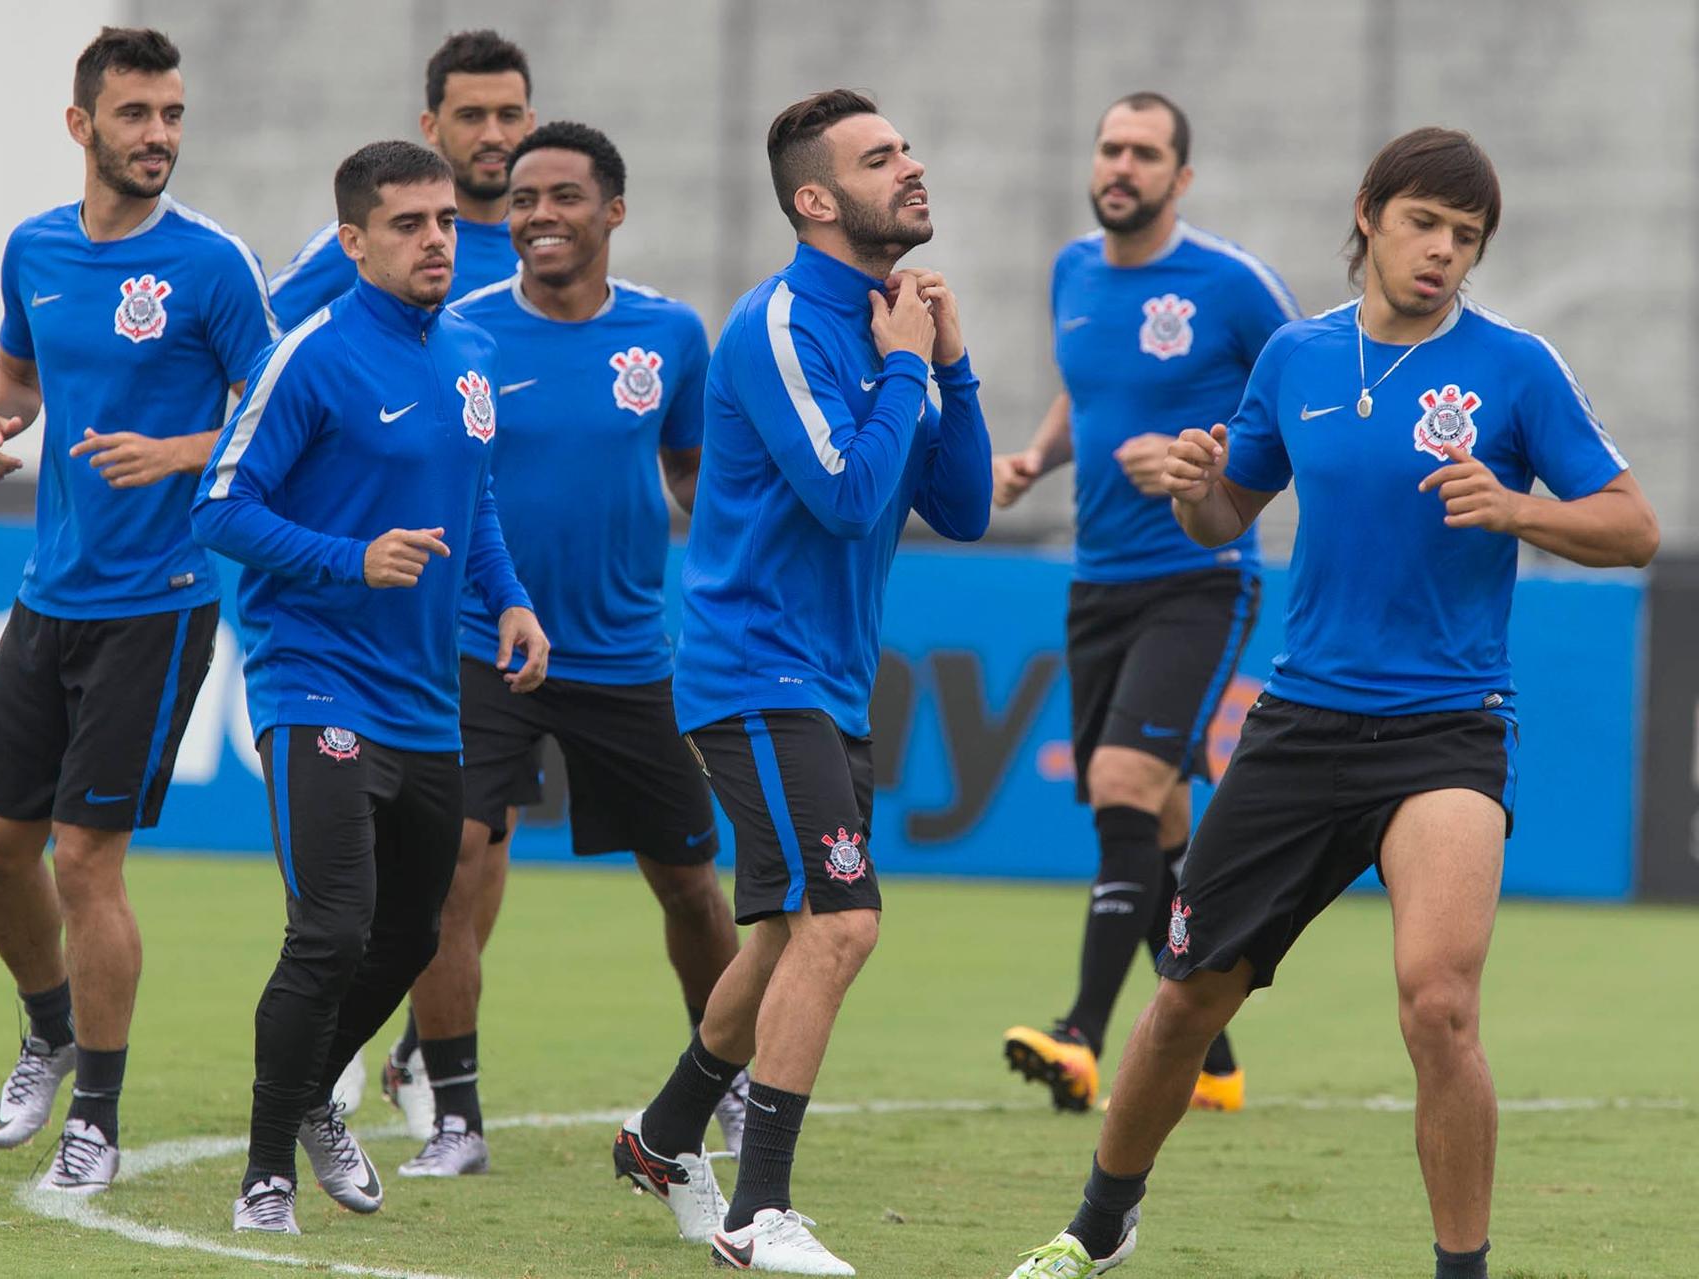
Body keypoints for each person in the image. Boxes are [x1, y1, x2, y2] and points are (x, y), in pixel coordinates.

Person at [1008, 127, 1658, 1279]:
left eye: (1467, 238)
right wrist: (1197, 489)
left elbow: (1633, 525)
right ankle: (1101, 1222)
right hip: (1302, 728)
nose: (1443, 252)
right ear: (1369, 214)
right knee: (1185, 1000)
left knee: (1438, 1006)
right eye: (1425, 224)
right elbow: (1223, 521)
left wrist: (1518, 510)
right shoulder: (1297, 359)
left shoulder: (1515, 368)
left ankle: (1463, 1270)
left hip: (1450, 733)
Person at [610, 90, 991, 1275]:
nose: (914, 165)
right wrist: (904, 372)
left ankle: (665, 1137)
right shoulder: (777, 321)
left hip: (823, 677)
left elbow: (965, 509)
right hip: (755, 670)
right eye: (883, 157)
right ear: (816, 199)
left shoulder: (896, 326)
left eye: (910, 145)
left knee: (780, 936)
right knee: (845, 921)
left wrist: (952, 367)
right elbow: (843, 490)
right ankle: (755, 1213)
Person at [192, 140, 550, 1236]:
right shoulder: (311, 356)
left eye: (443, 220)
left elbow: (472, 503)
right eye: (408, 224)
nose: (435, 239)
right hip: (315, 684)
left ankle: (310, 1089)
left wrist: (512, 599)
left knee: (411, 934)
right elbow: (218, 507)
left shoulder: (475, 352)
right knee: (333, 930)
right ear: (354, 241)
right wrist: (352, 558)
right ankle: (265, 1176)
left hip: (425, 697)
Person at [392, 121, 746, 1180]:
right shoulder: (459, 329)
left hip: (627, 654)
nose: (538, 215)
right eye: (524, 199)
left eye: (564, 197)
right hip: (480, 644)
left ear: (613, 212)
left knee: (689, 882)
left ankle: (723, 1087)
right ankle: (455, 1114)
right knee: (451, 864)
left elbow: (695, 476)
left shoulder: (673, 334)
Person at [0, 26, 277, 1195]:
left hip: (161, 600)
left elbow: (278, 410)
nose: (160, 136)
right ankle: (47, 1026)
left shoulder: (212, 265)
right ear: (81, 125)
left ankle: (95, 1114)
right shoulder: (33, 248)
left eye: (175, 115)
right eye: (137, 114)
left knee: (86, 859)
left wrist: (183, 450)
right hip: (50, 593)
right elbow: (18, 369)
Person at [994, 92, 1300, 1115]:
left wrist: (1195, 451)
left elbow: (1302, 397)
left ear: (1182, 176)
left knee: (1126, 783)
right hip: (1098, 581)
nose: (1122, 165)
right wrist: (1041, 455)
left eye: (1146, 152)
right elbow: (1090, 387)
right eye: (1111, 147)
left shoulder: (1230, 283)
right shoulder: (1072, 271)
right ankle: (1208, 1055)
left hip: (1200, 576)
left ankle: (1080, 1032)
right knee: (1149, 814)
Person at [268, 29, 532, 329]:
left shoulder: (546, 248)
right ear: (431, 127)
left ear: (530, 125)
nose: (492, 136)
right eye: (470, 116)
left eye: (509, 115)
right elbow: (255, 343)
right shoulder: (365, 241)